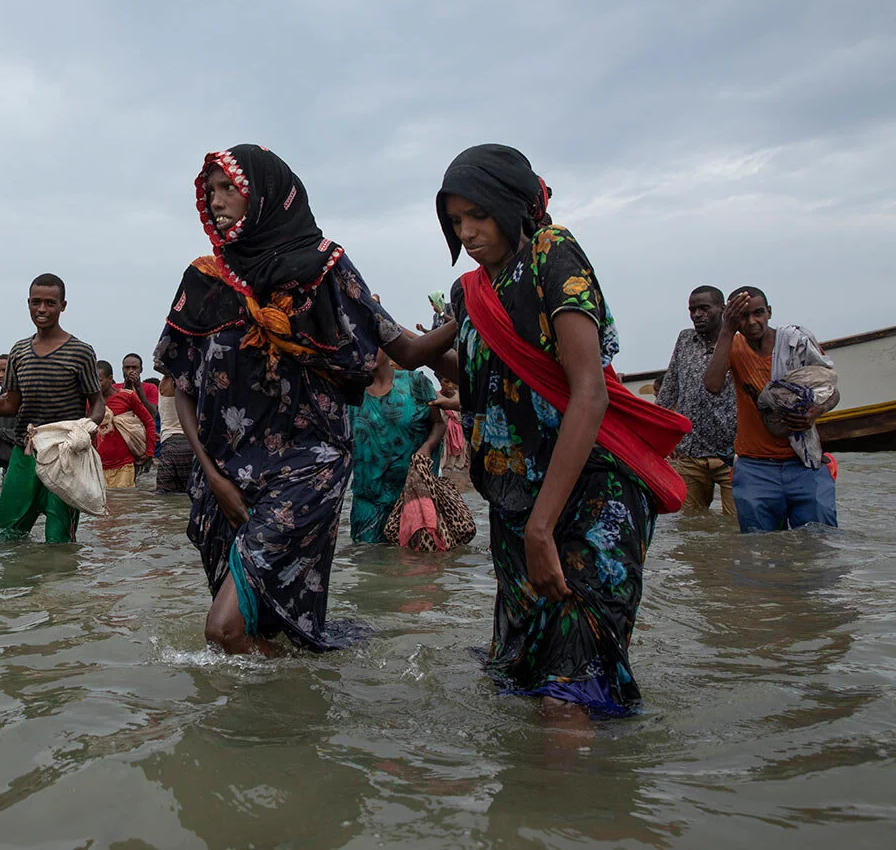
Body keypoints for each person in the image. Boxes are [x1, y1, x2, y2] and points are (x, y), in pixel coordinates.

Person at [154, 145, 455, 655]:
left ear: (265, 194)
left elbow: (404, 348)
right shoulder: (204, 281)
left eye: (229, 187)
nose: (216, 199)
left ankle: (300, 689)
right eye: (210, 190)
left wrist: (469, 313)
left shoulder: (324, 270)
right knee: (259, 627)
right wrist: (213, 475)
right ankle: (291, 712)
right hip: (222, 474)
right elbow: (184, 386)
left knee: (223, 632)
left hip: (303, 469)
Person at [437, 143, 688, 720]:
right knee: (520, 682)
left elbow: (589, 392)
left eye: (479, 215)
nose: (469, 232)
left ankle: (585, 806)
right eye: (456, 222)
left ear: (512, 205)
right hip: (514, 502)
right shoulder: (469, 293)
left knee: (570, 693)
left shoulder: (555, 256)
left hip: (590, 492)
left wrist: (543, 528)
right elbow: (484, 376)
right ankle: (546, 808)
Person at [0, 274, 107, 543]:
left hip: (64, 455)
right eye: (36, 302)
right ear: (28, 304)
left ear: (63, 306)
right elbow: (8, 405)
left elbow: (97, 401)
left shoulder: (81, 352)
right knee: (5, 535)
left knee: (60, 541)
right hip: (25, 453)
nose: (42, 309)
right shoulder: (19, 352)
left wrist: (87, 429)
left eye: (50, 303)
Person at [704, 286, 838, 532]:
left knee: (820, 543)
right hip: (755, 466)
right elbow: (712, 385)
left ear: (769, 312)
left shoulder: (795, 344)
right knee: (760, 550)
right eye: (743, 316)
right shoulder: (732, 345)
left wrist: (814, 413)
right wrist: (726, 329)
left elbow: (832, 390)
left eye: (758, 313)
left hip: (803, 463)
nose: (752, 322)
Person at [655, 287, 738, 518]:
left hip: (733, 454)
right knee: (691, 527)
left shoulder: (738, 342)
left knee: (737, 527)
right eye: (692, 309)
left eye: (704, 308)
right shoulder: (685, 340)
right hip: (690, 453)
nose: (697, 314)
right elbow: (670, 388)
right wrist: (655, 436)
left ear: (722, 309)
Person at [348, 353, 445, 543]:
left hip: (414, 494)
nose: (367, 350)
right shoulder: (351, 389)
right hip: (368, 498)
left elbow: (438, 424)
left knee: (415, 562)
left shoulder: (415, 382)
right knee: (367, 562)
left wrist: (427, 446)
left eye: (373, 344)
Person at [94, 360, 158, 488]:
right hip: (98, 466)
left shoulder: (127, 397)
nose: (96, 385)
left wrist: (149, 452)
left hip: (124, 466)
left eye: (100, 381)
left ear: (110, 378)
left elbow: (148, 421)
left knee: (125, 503)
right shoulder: (91, 402)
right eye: (93, 381)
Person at [154, 375, 194, 494]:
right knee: (191, 495)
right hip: (193, 446)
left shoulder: (166, 382)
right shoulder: (195, 382)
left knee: (164, 497)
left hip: (170, 446)